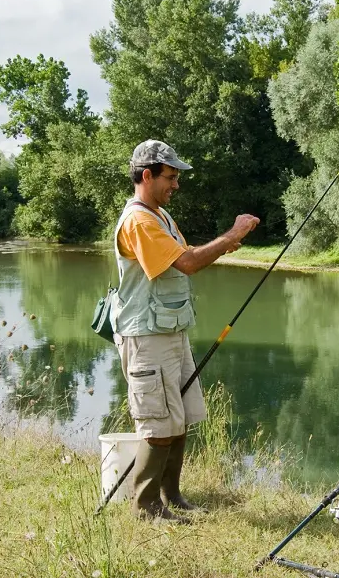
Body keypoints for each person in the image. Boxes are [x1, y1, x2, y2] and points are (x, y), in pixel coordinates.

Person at [111, 139, 259, 523]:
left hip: (169, 333)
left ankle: (171, 496)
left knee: (177, 419)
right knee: (158, 424)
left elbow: (182, 254)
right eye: (170, 177)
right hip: (145, 337)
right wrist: (231, 234)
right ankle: (146, 508)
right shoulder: (138, 220)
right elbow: (188, 264)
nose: (176, 184)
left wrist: (224, 246)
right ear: (147, 175)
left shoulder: (159, 216)